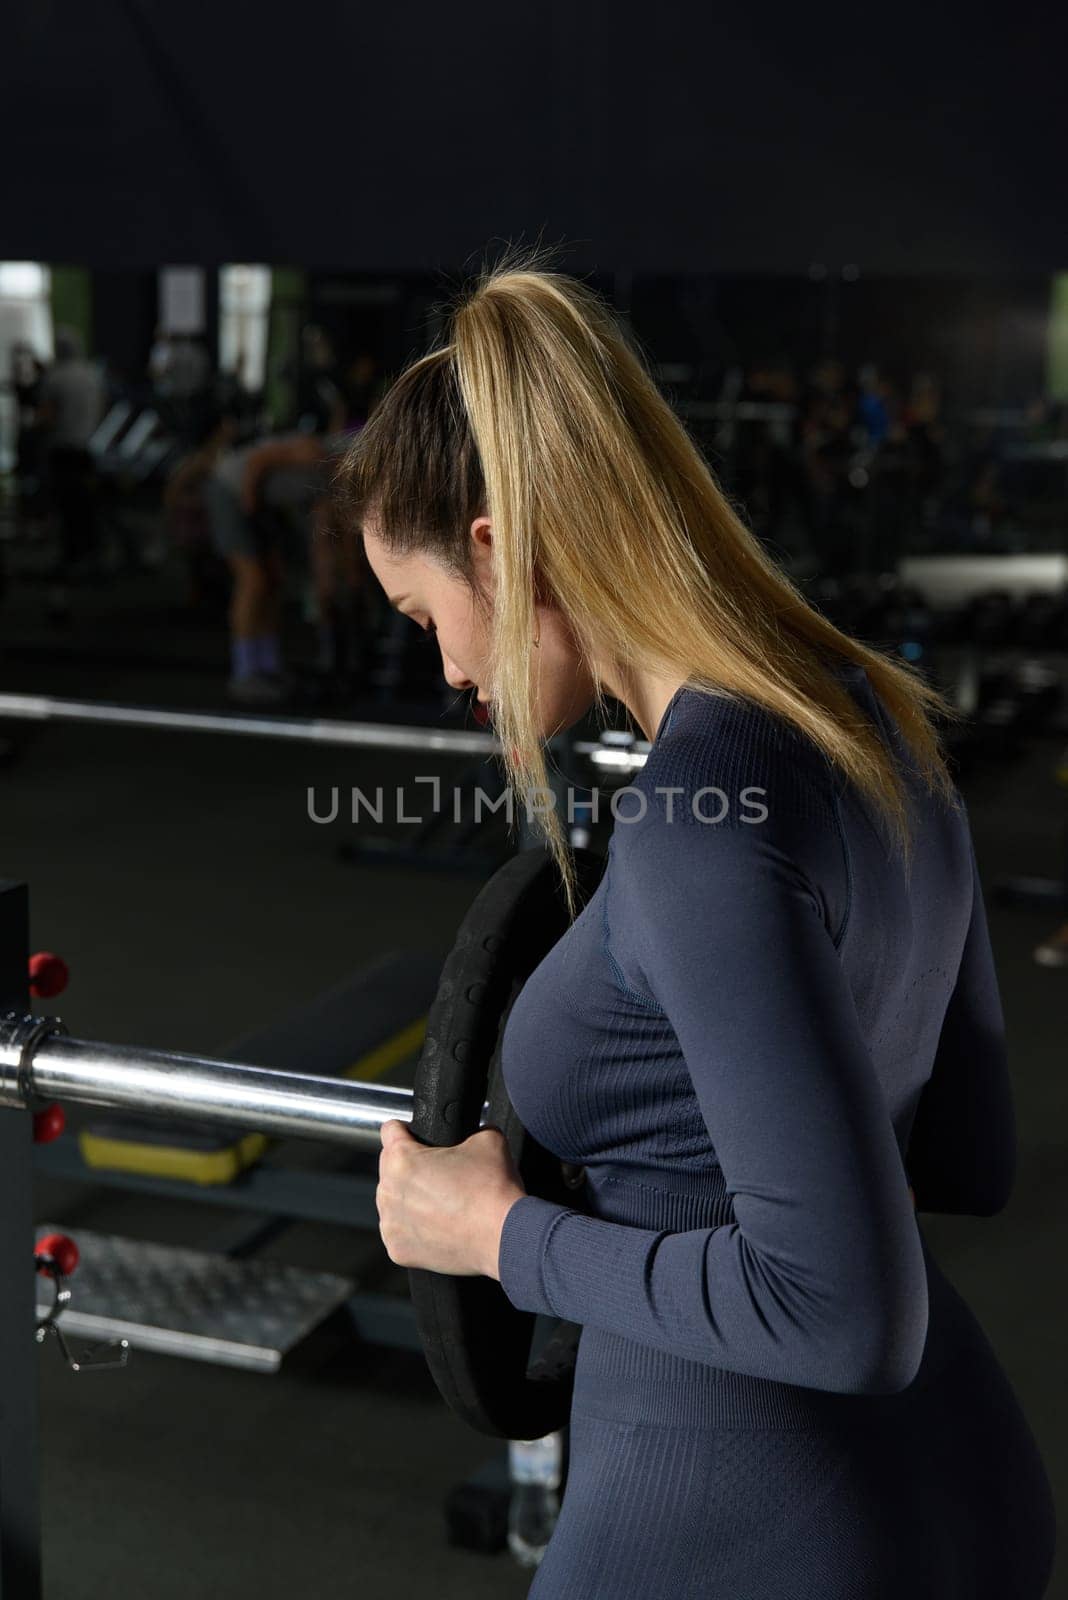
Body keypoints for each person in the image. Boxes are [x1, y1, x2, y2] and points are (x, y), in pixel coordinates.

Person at [342, 257, 1057, 1599]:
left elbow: (847, 1312)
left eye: (423, 614)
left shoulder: (697, 827)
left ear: (496, 547)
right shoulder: (876, 720)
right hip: (966, 1492)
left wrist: (490, 1232)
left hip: (734, 1512)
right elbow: (966, 1157)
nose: (445, 669)